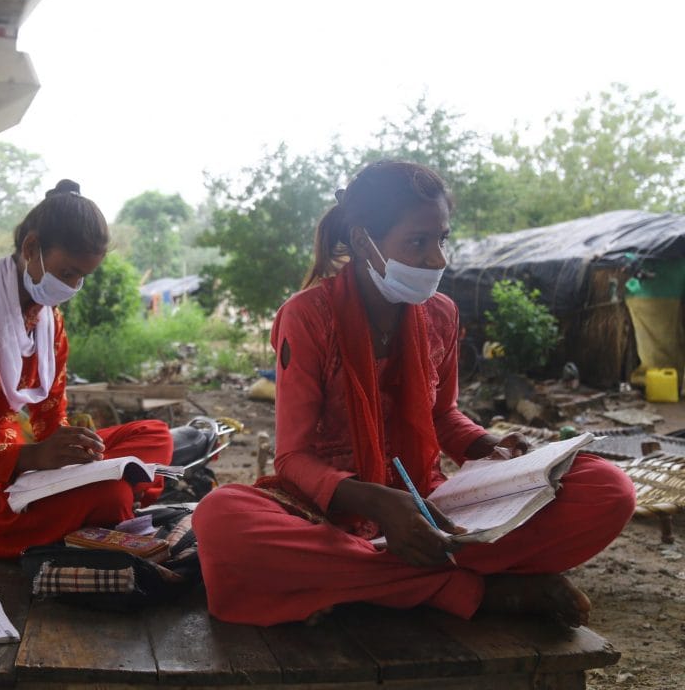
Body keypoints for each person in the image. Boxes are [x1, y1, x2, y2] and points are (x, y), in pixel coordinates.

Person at [192, 161, 635, 628]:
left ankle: (366, 585)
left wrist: (486, 445)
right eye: (418, 242)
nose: (438, 259)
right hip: (325, 517)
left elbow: (442, 415)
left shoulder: (440, 314)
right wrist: (379, 503)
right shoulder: (307, 317)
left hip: (429, 509)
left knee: (607, 488)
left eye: (441, 239)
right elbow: (293, 459)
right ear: (365, 241)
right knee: (221, 518)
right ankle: (467, 589)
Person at [0, 180, 174, 559]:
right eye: (67, 273)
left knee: (156, 436)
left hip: (24, 470)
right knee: (112, 493)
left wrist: (76, 448)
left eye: (83, 276)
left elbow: (50, 425)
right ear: (31, 248)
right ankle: (110, 505)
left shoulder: (51, 322)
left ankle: (102, 502)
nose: (74, 286)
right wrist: (31, 459)